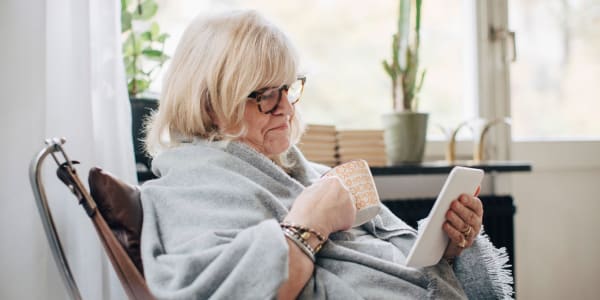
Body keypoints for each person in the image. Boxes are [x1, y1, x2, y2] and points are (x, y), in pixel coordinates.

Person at [140, 9, 513, 300]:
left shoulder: (312, 173)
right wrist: (309, 225)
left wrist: (444, 247)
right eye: (265, 95)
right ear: (209, 106)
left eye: (288, 88)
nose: (286, 108)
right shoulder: (191, 190)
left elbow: (398, 265)